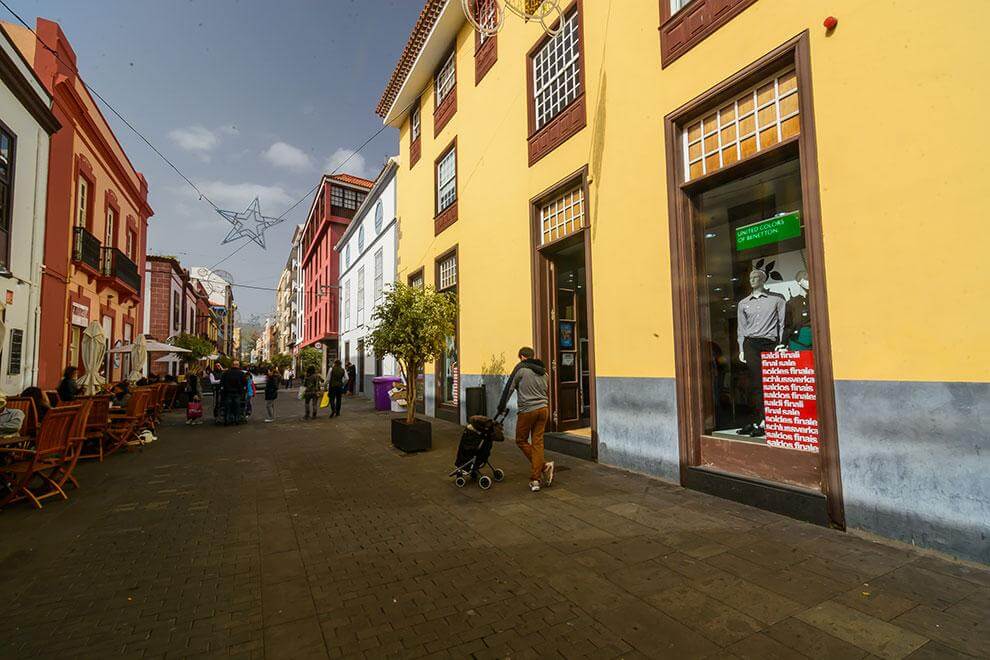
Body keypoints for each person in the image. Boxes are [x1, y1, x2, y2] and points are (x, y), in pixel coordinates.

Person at [497, 347, 554, 492]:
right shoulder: (544, 372)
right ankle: (536, 479)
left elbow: (508, 389)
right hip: (544, 410)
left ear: (522, 357)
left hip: (528, 411)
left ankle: (542, 468)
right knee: (538, 442)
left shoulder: (520, 369)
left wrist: (500, 407)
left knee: (521, 440)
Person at [220, 361, 247, 425]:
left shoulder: (226, 373)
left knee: (228, 407)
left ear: (232, 365)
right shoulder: (241, 373)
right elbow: (244, 383)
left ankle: (227, 420)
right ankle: (236, 420)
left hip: (228, 392)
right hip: (237, 392)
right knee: (237, 407)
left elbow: (222, 382)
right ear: (238, 365)